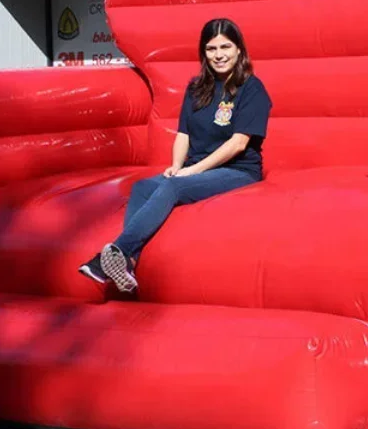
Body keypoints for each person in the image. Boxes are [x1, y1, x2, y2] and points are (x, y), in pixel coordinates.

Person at [78, 18, 272, 293]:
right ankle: (128, 262)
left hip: (238, 171)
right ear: (203, 53)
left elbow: (238, 143)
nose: (219, 55)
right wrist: (176, 165)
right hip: (197, 168)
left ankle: (113, 255)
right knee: (143, 186)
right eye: (211, 48)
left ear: (239, 49)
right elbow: (184, 134)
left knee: (174, 185)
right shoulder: (197, 88)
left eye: (225, 47)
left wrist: (190, 172)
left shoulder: (252, 89)